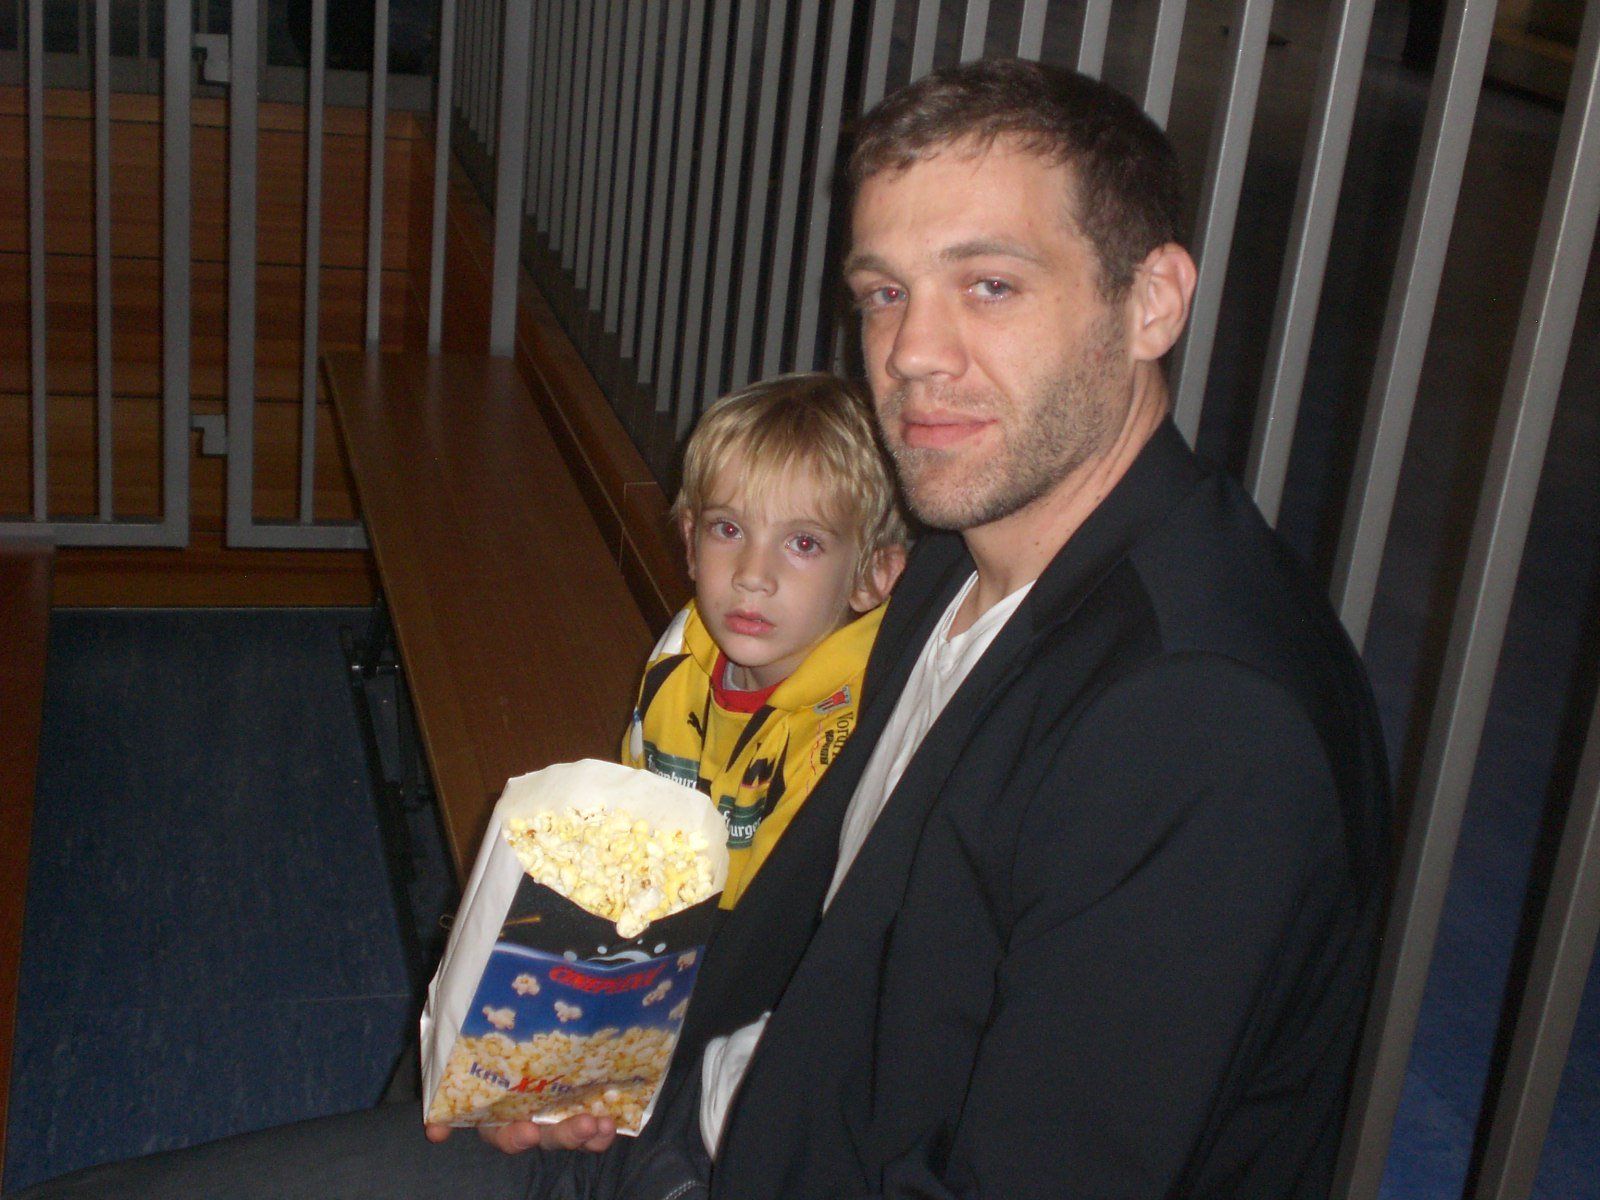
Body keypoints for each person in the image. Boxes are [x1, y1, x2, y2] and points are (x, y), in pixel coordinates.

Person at [20, 58, 1389, 1200]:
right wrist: (603, 1052)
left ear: (1151, 302)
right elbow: (820, 899)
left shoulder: (1200, 721)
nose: (911, 354)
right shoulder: (954, 568)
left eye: (988, 285)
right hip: (689, 1114)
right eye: (882, 292)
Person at [619, 372, 909, 909]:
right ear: (691, 542)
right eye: (728, 530)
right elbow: (633, 806)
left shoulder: (846, 739)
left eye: (803, 543)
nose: (752, 575)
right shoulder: (679, 652)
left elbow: (774, 922)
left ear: (871, 576)